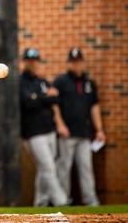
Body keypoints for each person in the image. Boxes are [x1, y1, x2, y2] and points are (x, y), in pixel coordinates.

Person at [53, 48, 105, 206]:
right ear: (69, 63)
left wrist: (100, 129)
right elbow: (54, 105)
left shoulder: (89, 83)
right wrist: (60, 125)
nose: (77, 65)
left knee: (86, 168)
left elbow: (94, 107)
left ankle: (90, 201)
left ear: (83, 62)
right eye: (73, 62)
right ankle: (63, 201)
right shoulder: (60, 81)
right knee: (64, 168)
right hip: (66, 133)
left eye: (79, 61)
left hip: (84, 133)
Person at [19, 48, 68, 207]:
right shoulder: (21, 82)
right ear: (24, 62)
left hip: (49, 130)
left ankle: (40, 203)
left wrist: (42, 98)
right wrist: (45, 97)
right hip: (33, 133)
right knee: (48, 166)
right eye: (29, 60)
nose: (32, 63)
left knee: (43, 168)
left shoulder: (41, 81)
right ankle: (61, 201)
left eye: (35, 60)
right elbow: (28, 102)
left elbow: (55, 100)